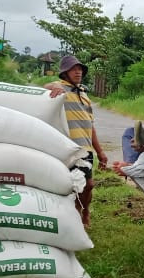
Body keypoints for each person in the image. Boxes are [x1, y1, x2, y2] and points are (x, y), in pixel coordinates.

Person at [45, 55, 108, 227]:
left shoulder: (84, 94)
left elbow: (90, 125)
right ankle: (73, 215)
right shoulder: (61, 90)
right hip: (68, 147)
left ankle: (84, 211)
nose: (78, 72)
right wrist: (55, 85)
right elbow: (44, 88)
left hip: (85, 148)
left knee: (88, 185)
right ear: (65, 73)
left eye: (80, 69)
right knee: (72, 185)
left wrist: (100, 151)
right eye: (74, 69)